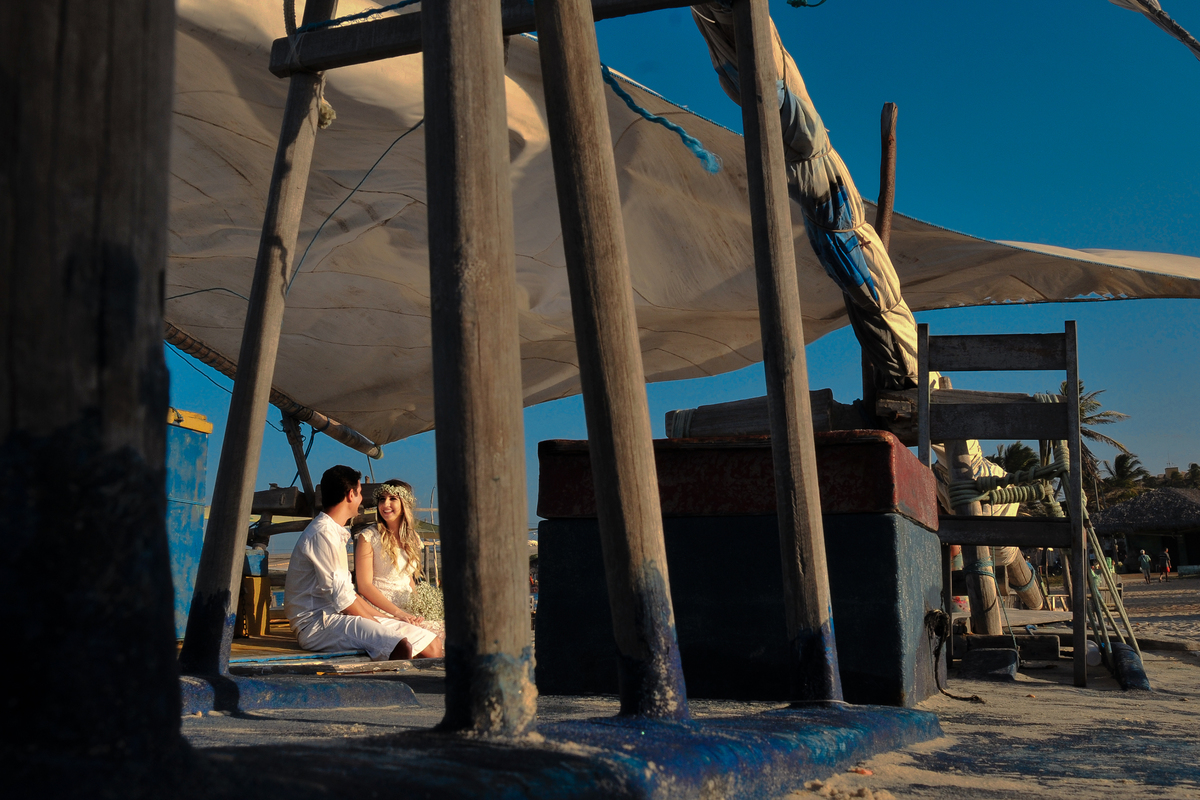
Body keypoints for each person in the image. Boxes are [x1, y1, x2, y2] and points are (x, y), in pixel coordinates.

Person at [284, 465, 443, 661]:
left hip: (336, 618)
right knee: (400, 644)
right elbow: (344, 599)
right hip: (318, 624)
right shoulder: (323, 533)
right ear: (351, 494)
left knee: (433, 644)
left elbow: (348, 595)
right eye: (359, 493)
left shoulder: (333, 532)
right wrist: (380, 622)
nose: (361, 499)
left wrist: (389, 618)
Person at [355, 480, 443, 636]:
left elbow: (408, 578)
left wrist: (420, 608)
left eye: (392, 499)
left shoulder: (413, 538)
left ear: (405, 504)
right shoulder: (368, 537)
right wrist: (399, 614)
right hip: (382, 611)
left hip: (408, 610)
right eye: (382, 499)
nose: (385, 504)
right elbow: (364, 586)